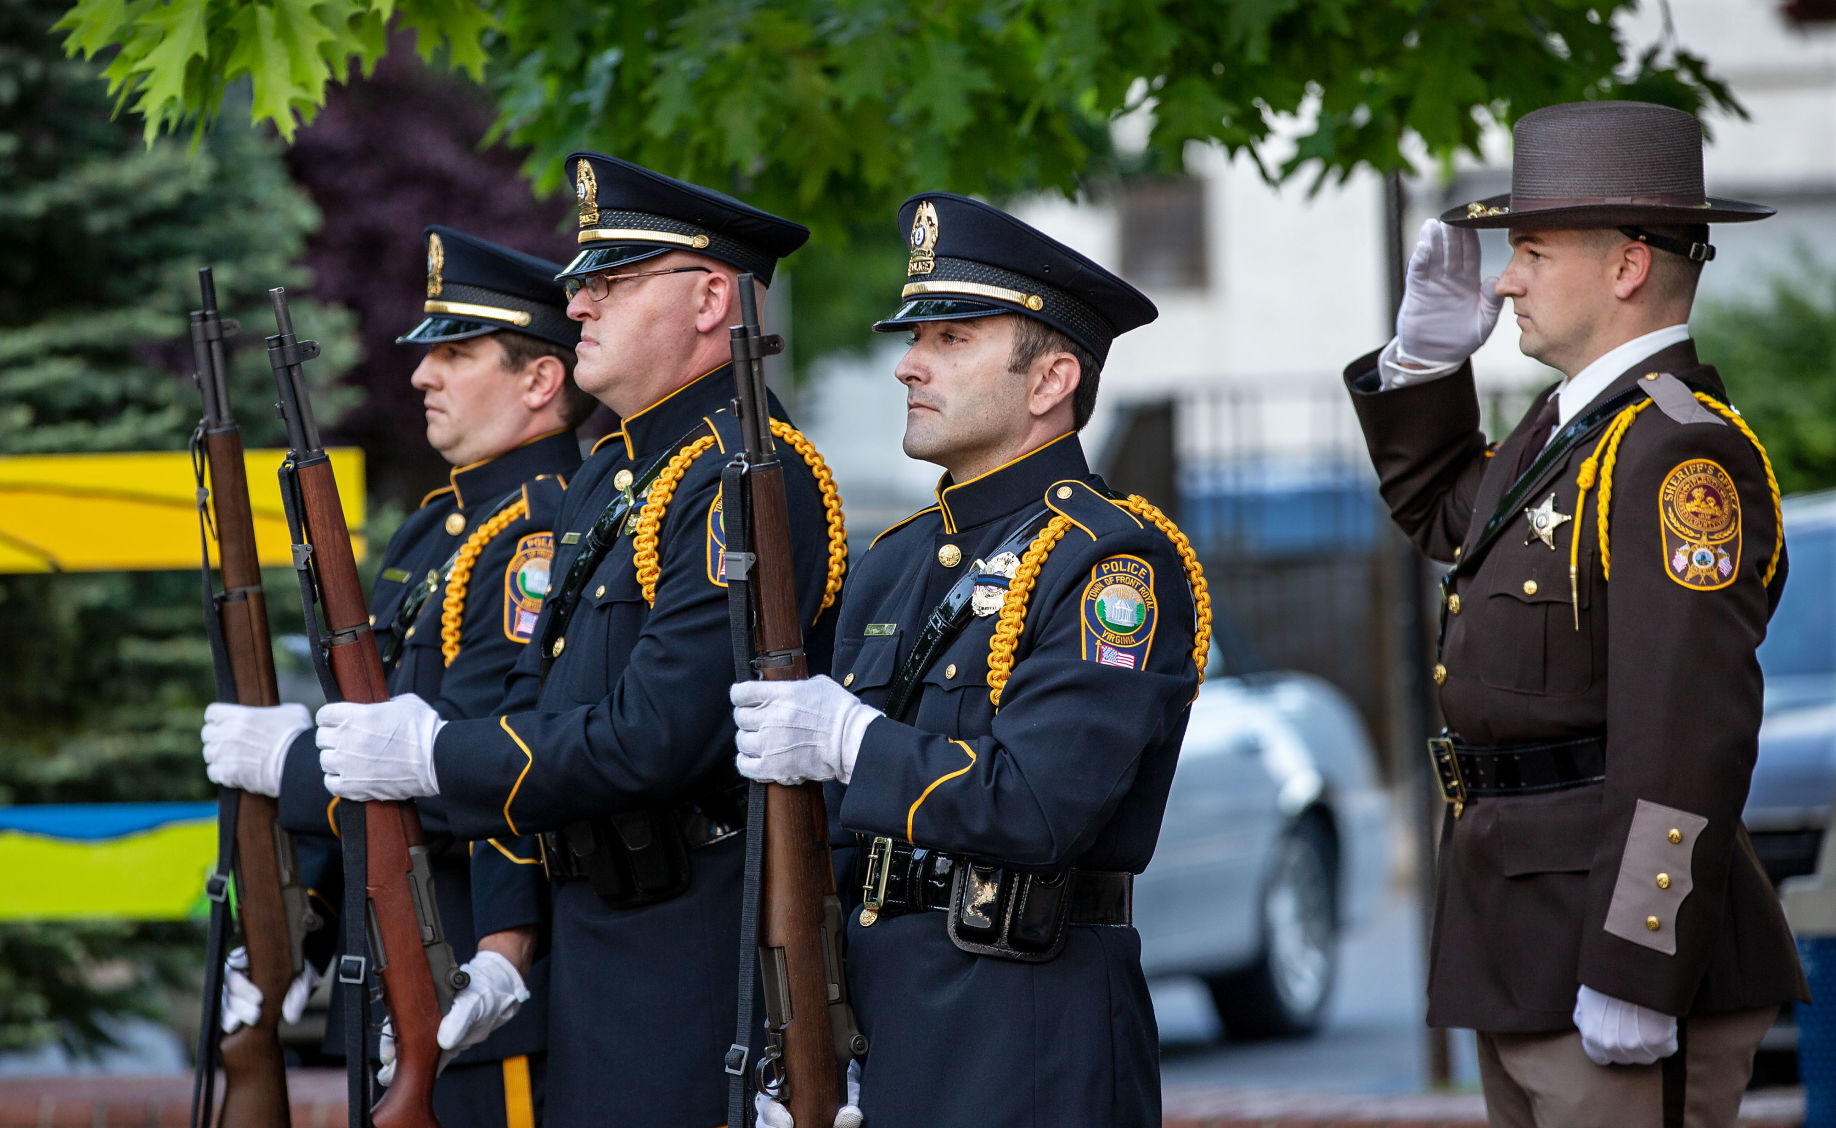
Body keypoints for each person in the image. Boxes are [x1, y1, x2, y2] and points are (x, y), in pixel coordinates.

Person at [312, 153, 849, 1128]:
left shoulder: (749, 475)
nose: (579, 300)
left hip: (692, 939)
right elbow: (534, 708)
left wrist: (431, 756)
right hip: (591, 927)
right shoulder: (614, 481)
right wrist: (509, 936)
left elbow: (657, 735)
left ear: (708, 298)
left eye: (611, 280)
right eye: (581, 280)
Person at [1345, 101, 1807, 1127]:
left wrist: (1640, 956)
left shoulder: (1677, 452)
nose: (1505, 278)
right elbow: (1440, 517)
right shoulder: (1569, 431)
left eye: (1530, 250)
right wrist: (1422, 364)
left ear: (1627, 267)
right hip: (1526, 936)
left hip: (1614, 943)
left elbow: (1685, 724)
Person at [729, 192, 1209, 1127]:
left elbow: (1039, 805)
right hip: (882, 1024)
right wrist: (802, 1036)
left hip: (1025, 1024)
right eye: (918, 339)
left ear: (1049, 379)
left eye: (951, 339)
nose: (908, 364)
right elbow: (824, 844)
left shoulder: (1107, 562)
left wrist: (852, 741)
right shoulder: (898, 558)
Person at [201, 225, 592, 1126]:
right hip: (389, 959)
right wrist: (292, 925)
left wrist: (289, 766)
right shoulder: (431, 531)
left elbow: (468, 762)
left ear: (539, 379)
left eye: (455, 354)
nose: (422, 375)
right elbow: (365, 722)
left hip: (472, 970)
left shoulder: (540, 533)